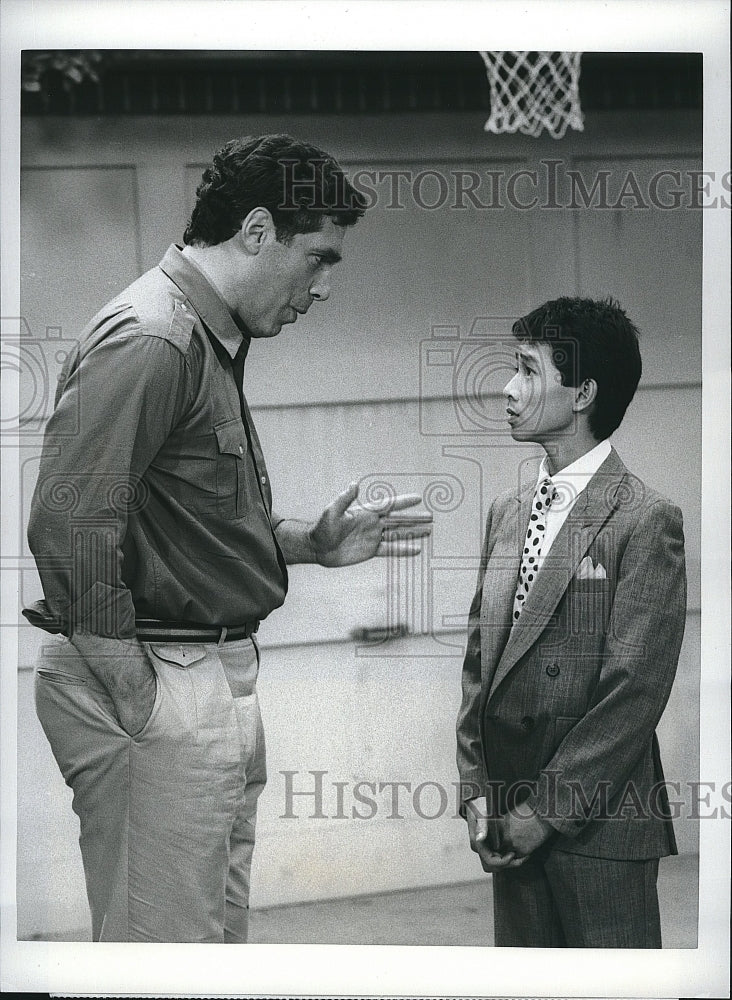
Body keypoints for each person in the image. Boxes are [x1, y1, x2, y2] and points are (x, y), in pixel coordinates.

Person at [25, 133, 429, 943]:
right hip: (163, 676)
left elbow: (184, 518)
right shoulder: (154, 337)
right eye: (317, 260)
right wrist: (141, 700)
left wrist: (307, 543)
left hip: (205, 674)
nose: (322, 289)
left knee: (208, 944)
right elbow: (68, 525)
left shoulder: (203, 335)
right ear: (254, 231)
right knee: (163, 955)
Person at [456, 296, 687, 948]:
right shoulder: (508, 509)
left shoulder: (644, 518)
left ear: (583, 392)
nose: (508, 388)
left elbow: (634, 689)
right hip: (507, 819)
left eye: (528, 371)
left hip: (598, 826)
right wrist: (478, 793)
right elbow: (481, 662)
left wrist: (546, 813)